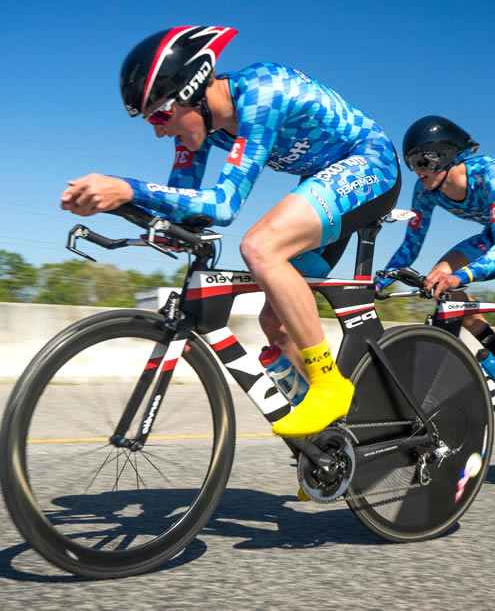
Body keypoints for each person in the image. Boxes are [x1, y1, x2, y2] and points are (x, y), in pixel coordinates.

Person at [60, 25, 401, 439]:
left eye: (162, 114)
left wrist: (126, 187)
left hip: (369, 164)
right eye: (151, 121)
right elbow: (183, 200)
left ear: (194, 90)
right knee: (275, 322)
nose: (159, 130)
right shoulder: (198, 128)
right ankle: (331, 443)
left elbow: (223, 206)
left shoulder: (263, 92)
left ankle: (329, 385)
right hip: (324, 178)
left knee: (260, 247)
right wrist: (124, 209)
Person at [379, 115, 495, 472]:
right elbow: (410, 247)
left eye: (421, 161)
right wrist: (378, 283)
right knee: (436, 278)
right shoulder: (425, 193)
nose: (416, 171)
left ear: (445, 156)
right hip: (494, 235)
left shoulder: (492, 174)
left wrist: (462, 277)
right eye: (411, 162)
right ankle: (492, 343)